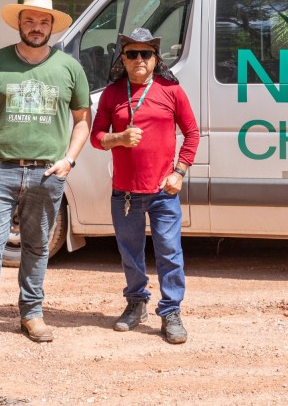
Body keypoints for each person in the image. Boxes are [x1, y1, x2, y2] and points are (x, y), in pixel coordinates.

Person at [0, 0, 91, 359]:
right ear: (19, 23)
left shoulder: (69, 68)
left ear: (52, 27)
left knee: (37, 247)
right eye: (30, 21)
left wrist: (69, 160)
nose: (36, 27)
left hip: (46, 174)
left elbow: (82, 120)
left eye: (43, 22)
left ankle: (31, 314)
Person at [90, 28, 199, 344]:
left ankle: (171, 312)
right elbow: (97, 137)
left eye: (146, 53)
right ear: (123, 59)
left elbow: (192, 133)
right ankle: (136, 304)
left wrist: (179, 172)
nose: (139, 59)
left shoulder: (171, 90)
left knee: (169, 252)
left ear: (155, 59)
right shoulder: (112, 94)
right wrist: (119, 138)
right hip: (125, 193)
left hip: (163, 192)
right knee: (130, 254)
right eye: (132, 54)